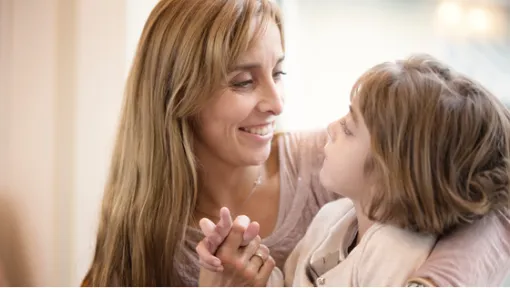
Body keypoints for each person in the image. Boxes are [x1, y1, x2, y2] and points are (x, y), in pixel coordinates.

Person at [82, 0, 510, 286]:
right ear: (177, 95)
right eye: (244, 81)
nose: (276, 102)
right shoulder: (139, 223)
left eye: (279, 72)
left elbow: (495, 203)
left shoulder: (332, 163)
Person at [197, 55, 510, 286]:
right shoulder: (331, 219)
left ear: (393, 171)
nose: (331, 128)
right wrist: (247, 269)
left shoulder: (396, 254)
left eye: (348, 128)